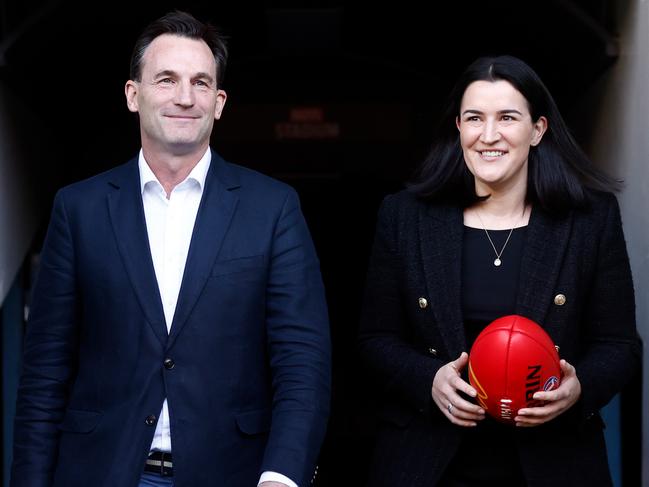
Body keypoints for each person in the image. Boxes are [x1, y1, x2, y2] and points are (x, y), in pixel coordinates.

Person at [11, 11, 330, 487]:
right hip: (99, 471)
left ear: (219, 103)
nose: (185, 97)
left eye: (201, 83)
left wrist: (282, 474)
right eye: (166, 80)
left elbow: (302, 359)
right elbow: (44, 373)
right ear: (132, 95)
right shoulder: (78, 209)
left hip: (233, 474)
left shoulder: (273, 208)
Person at [358, 55, 641, 486]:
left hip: (554, 463)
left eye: (507, 117)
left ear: (537, 130)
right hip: (427, 463)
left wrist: (578, 388)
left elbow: (619, 345)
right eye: (474, 118)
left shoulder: (588, 220)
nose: (489, 136)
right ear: (458, 127)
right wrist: (428, 379)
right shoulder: (405, 217)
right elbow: (374, 338)